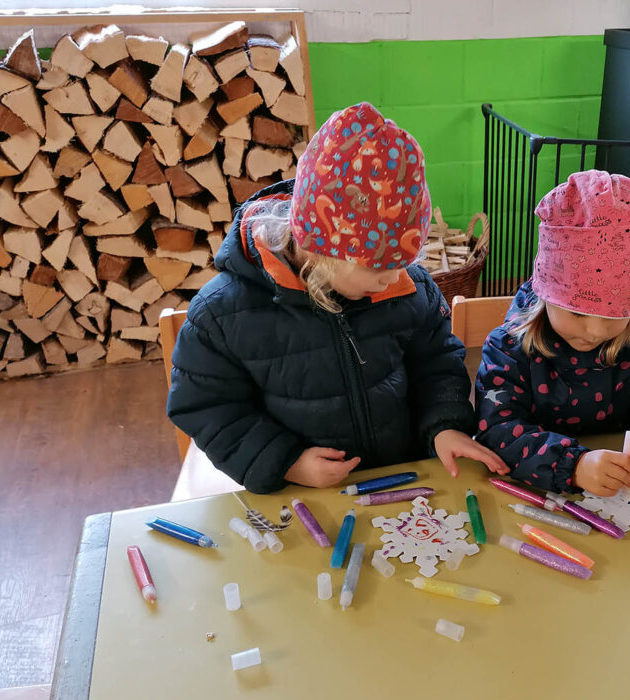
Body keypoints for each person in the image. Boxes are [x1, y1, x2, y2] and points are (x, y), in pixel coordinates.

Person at [167, 102, 507, 493]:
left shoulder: (407, 287)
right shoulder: (222, 313)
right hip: (302, 496)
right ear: (320, 249)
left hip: (404, 483)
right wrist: (286, 462)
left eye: (403, 261)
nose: (395, 278)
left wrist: (444, 426)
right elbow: (206, 407)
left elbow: (435, 364)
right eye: (378, 267)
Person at [475, 169, 630, 497]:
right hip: (539, 499)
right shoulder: (508, 349)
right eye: (576, 312)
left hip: (627, 498)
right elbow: (498, 432)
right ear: (546, 296)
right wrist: (573, 465)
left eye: (615, 314)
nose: (595, 331)